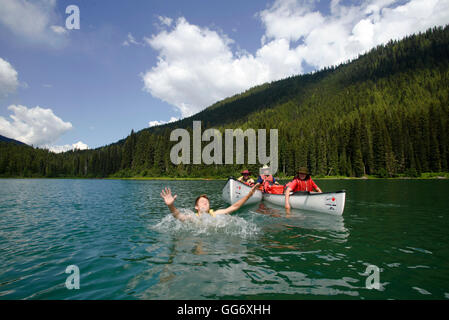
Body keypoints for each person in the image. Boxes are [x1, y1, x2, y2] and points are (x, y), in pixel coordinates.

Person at [160, 183, 260, 222]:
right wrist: (171, 205)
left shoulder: (215, 214)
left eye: (207, 202)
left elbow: (234, 207)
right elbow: (178, 216)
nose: (205, 203)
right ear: (196, 207)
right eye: (202, 202)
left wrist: (249, 195)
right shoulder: (192, 217)